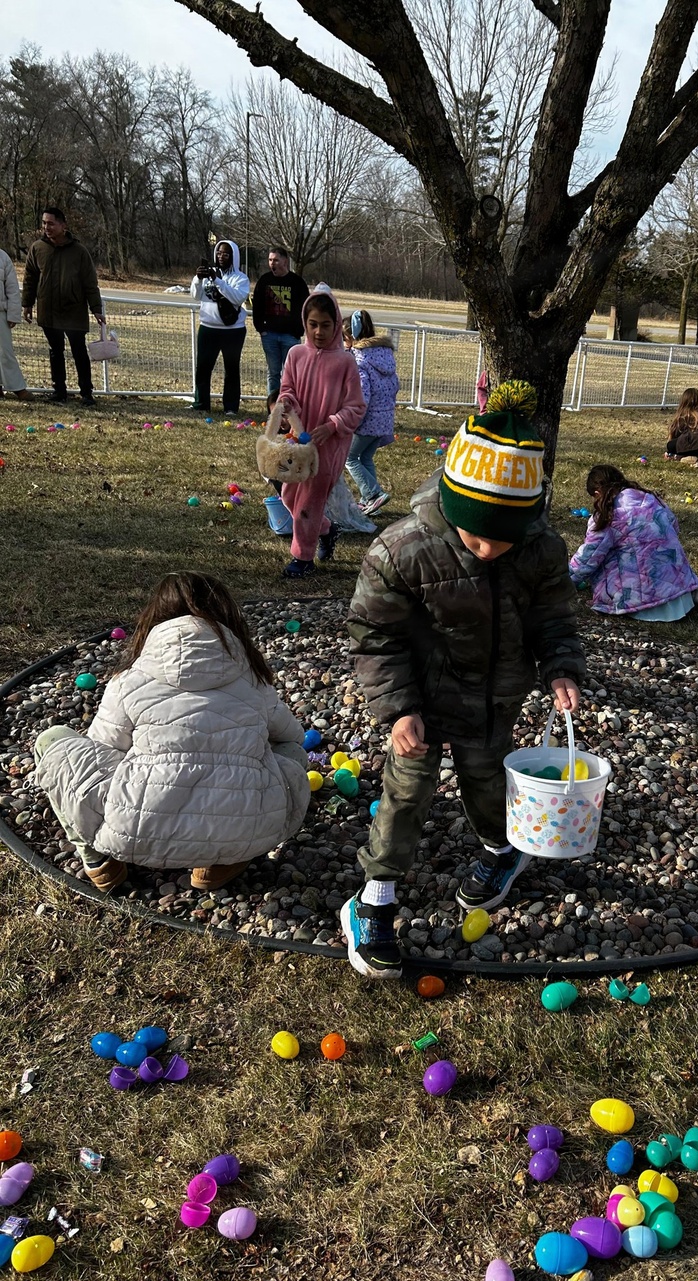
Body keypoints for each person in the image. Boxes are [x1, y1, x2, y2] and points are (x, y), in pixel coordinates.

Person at [344, 380, 585, 978]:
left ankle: (502, 851)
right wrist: (398, 708)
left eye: (505, 540)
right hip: (422, 701)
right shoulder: (401, 550)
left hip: (493, 697)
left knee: (487, 778)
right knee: (407, 792)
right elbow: (375, 635)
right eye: (477, 537)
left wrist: (559, 667)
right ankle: (374, 897)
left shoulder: (539, 550)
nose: (489, 551)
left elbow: (553, 616)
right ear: (453, 509)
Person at [32, 572, 311, 893]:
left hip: (132, 833)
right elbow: (293, 739)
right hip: (249, 831)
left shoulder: (129, 679)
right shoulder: (253, 679)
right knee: (292, 754)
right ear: (229, 619)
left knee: (51, 741)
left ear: (155, 619)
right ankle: (222, 862)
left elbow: (101, 749)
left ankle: (99, 861)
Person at [277, 289, 366, 578]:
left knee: (309, 501)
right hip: (299, 442)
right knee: (289, 496)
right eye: (313, 324)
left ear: (336, 325)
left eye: (325, 325)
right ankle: (326, 529)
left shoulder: (345, 362)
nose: (318, 332)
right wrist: (286, 404)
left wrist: (332, 425)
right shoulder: (295, 354)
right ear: (305, 323)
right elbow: (288, 388)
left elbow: (356, 406)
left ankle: (302, 558)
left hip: (329, 446)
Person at [569, 465, 698, 621]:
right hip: (679, 589)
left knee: (607, 558)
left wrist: (564, 580)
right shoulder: (652, 499)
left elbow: (588, 557)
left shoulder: (608, 516)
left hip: (641, 601)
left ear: (598, 493)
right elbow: (674, 526)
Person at [21, 206, 104, 407]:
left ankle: (86, 393)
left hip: (74, 311)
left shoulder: (79, 251)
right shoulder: (37, 248)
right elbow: (30, 278)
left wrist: (96, 309)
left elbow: (90, 283)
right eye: (44, 223)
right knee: (55, 351)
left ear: (63, 225)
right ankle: (59, 391)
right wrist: (27, 304)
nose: (46, 227)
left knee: (79, 352)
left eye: (51, 223)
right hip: (48, 310)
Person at [343, 309, 399, 515]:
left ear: (352, 338)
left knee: (349, 458)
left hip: (366, 421)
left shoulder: (360, 362)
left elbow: (362, 396)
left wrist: (353, 419)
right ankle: (371, 502)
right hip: (384, 419)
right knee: (365, 458)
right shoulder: (384, 357)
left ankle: (374, 494)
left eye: (344, 339)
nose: (343, 344)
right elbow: (395, 386)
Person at [190, 239, 251, 417]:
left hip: (233, 331)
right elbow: (196, 296)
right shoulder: (207, 274)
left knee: (231, 369)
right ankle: (201, 403)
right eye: (219, 253)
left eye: (225, 254)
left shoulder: (241, 278)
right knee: (203, 367)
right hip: (208, 327)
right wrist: (198, 279)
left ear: (233, 256)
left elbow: (237, 298)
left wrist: (217, 280)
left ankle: (231, 407)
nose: (221, 256)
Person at [251, 246, 310, 396]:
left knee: (292, 374)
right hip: (269, 335)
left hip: (290, 337)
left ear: (285, 261)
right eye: (270, 260)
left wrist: (299, 331)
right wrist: (261, 329)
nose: (272, 263)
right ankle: (272, 405)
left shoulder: (297, 283)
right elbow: (256, 306)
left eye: (276, 260)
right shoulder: (264, 281)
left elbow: (307, 309)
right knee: (273, 373)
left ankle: (290, 404)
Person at [0, 248, 30, 400]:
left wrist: (13, 314)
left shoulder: (3, 257)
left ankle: (18, 388)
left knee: (5, 352)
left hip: (0, 312)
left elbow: (12, 289)